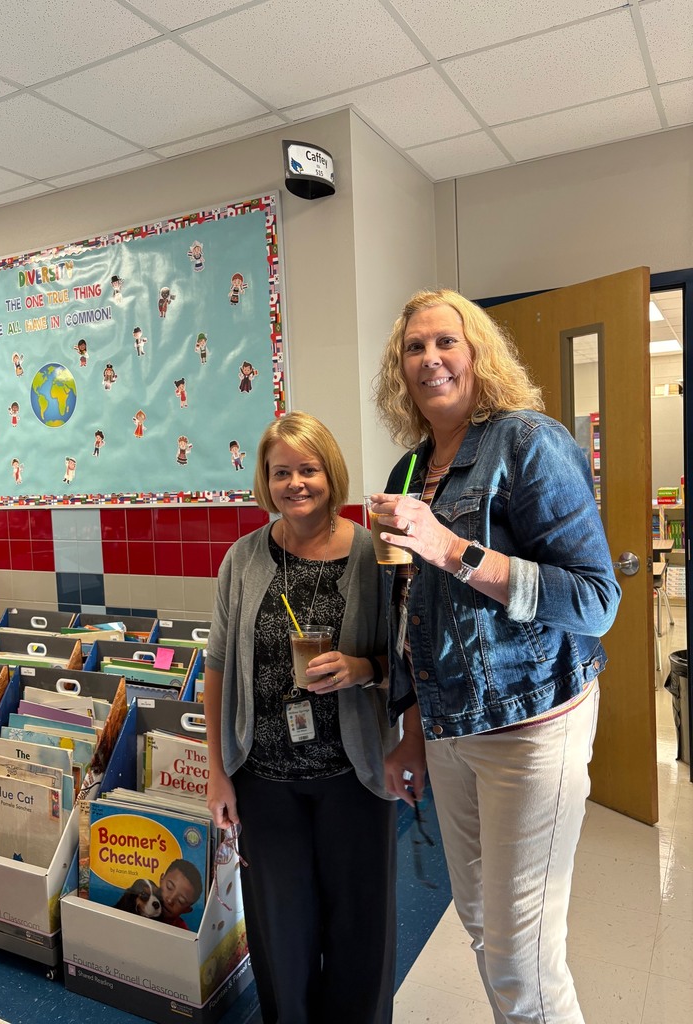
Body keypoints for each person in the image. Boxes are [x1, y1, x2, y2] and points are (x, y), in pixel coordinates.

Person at [370, 289, 621, 1024]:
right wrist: (410, 726)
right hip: (451, 733)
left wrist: (452, 549)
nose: (430, 359)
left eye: (446, 342)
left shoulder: (528, 442)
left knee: (522, 955)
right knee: (481, 925)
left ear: (477, 353)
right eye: (414, 348)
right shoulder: (409, 474)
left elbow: (596, 601)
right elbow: (411, 612)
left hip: (534, 724)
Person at [205, 411, 397, 1024]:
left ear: (329, 473)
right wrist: (217, 772)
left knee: (359, 935)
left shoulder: (372, 554)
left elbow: (405, 658)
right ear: (265, 480)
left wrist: (362, 669)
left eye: (308, 469)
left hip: (354, 777)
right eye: (281, 471)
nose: (295, 483)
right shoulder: (242, 560)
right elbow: (215, 669)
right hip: (265, 780)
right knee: (280, 938)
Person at [158, 859, 203, 929]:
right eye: (169, 887)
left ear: (186, 910)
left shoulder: (182, 931)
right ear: (161, 879)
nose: (170, 900)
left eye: (180, 901)